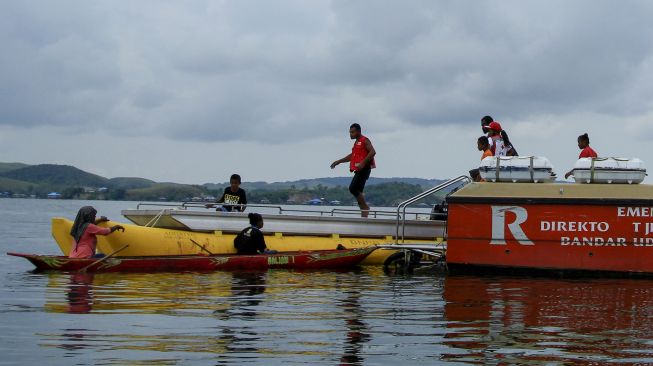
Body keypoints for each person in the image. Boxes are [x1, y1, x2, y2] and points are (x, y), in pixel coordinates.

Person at [330, 123, 376, 218]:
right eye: (350, 132)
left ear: (358, 131)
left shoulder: (365, 140)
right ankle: (364, 215)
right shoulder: (356, 142)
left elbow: (373, 152)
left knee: (353, 188)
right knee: (357, 192)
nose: (350, 134)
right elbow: (352, 156)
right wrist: (338, 161)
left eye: (352, 132)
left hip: (364, 169)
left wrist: (363, 163)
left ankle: (365, 208)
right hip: (359, 169)